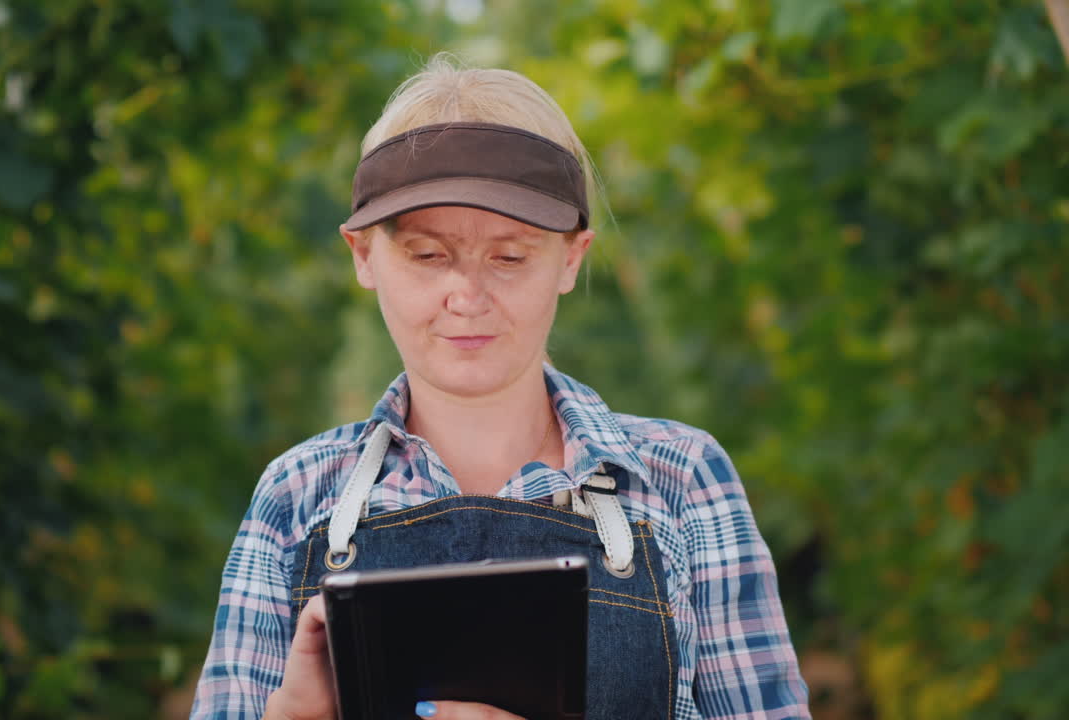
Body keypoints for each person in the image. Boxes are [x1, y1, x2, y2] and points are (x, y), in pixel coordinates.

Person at [190, 55, 810, 720]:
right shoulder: (296, 498)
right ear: (364, 256)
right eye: (428, 256)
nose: (467, 297)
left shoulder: (682, 483)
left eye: (510, 257)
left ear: (571, 258)